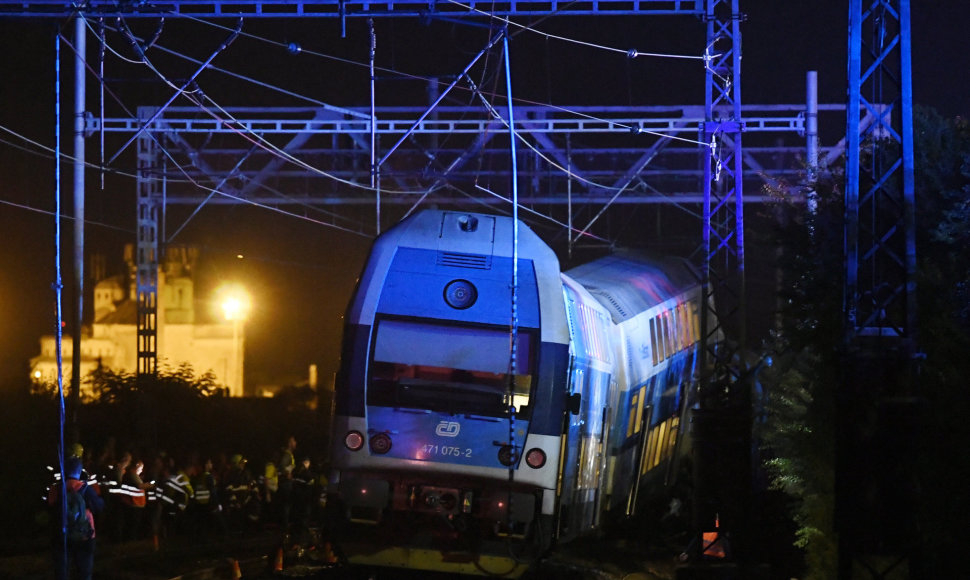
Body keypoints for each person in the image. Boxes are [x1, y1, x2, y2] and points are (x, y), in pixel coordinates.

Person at [47, 456, 105, 580]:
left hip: (62, 535)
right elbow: (99, 506)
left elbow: (50, 509)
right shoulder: (86, 489)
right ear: (79, 471)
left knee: (62, 572)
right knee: (84, 572)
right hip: (85, 536)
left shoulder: (55, 489)